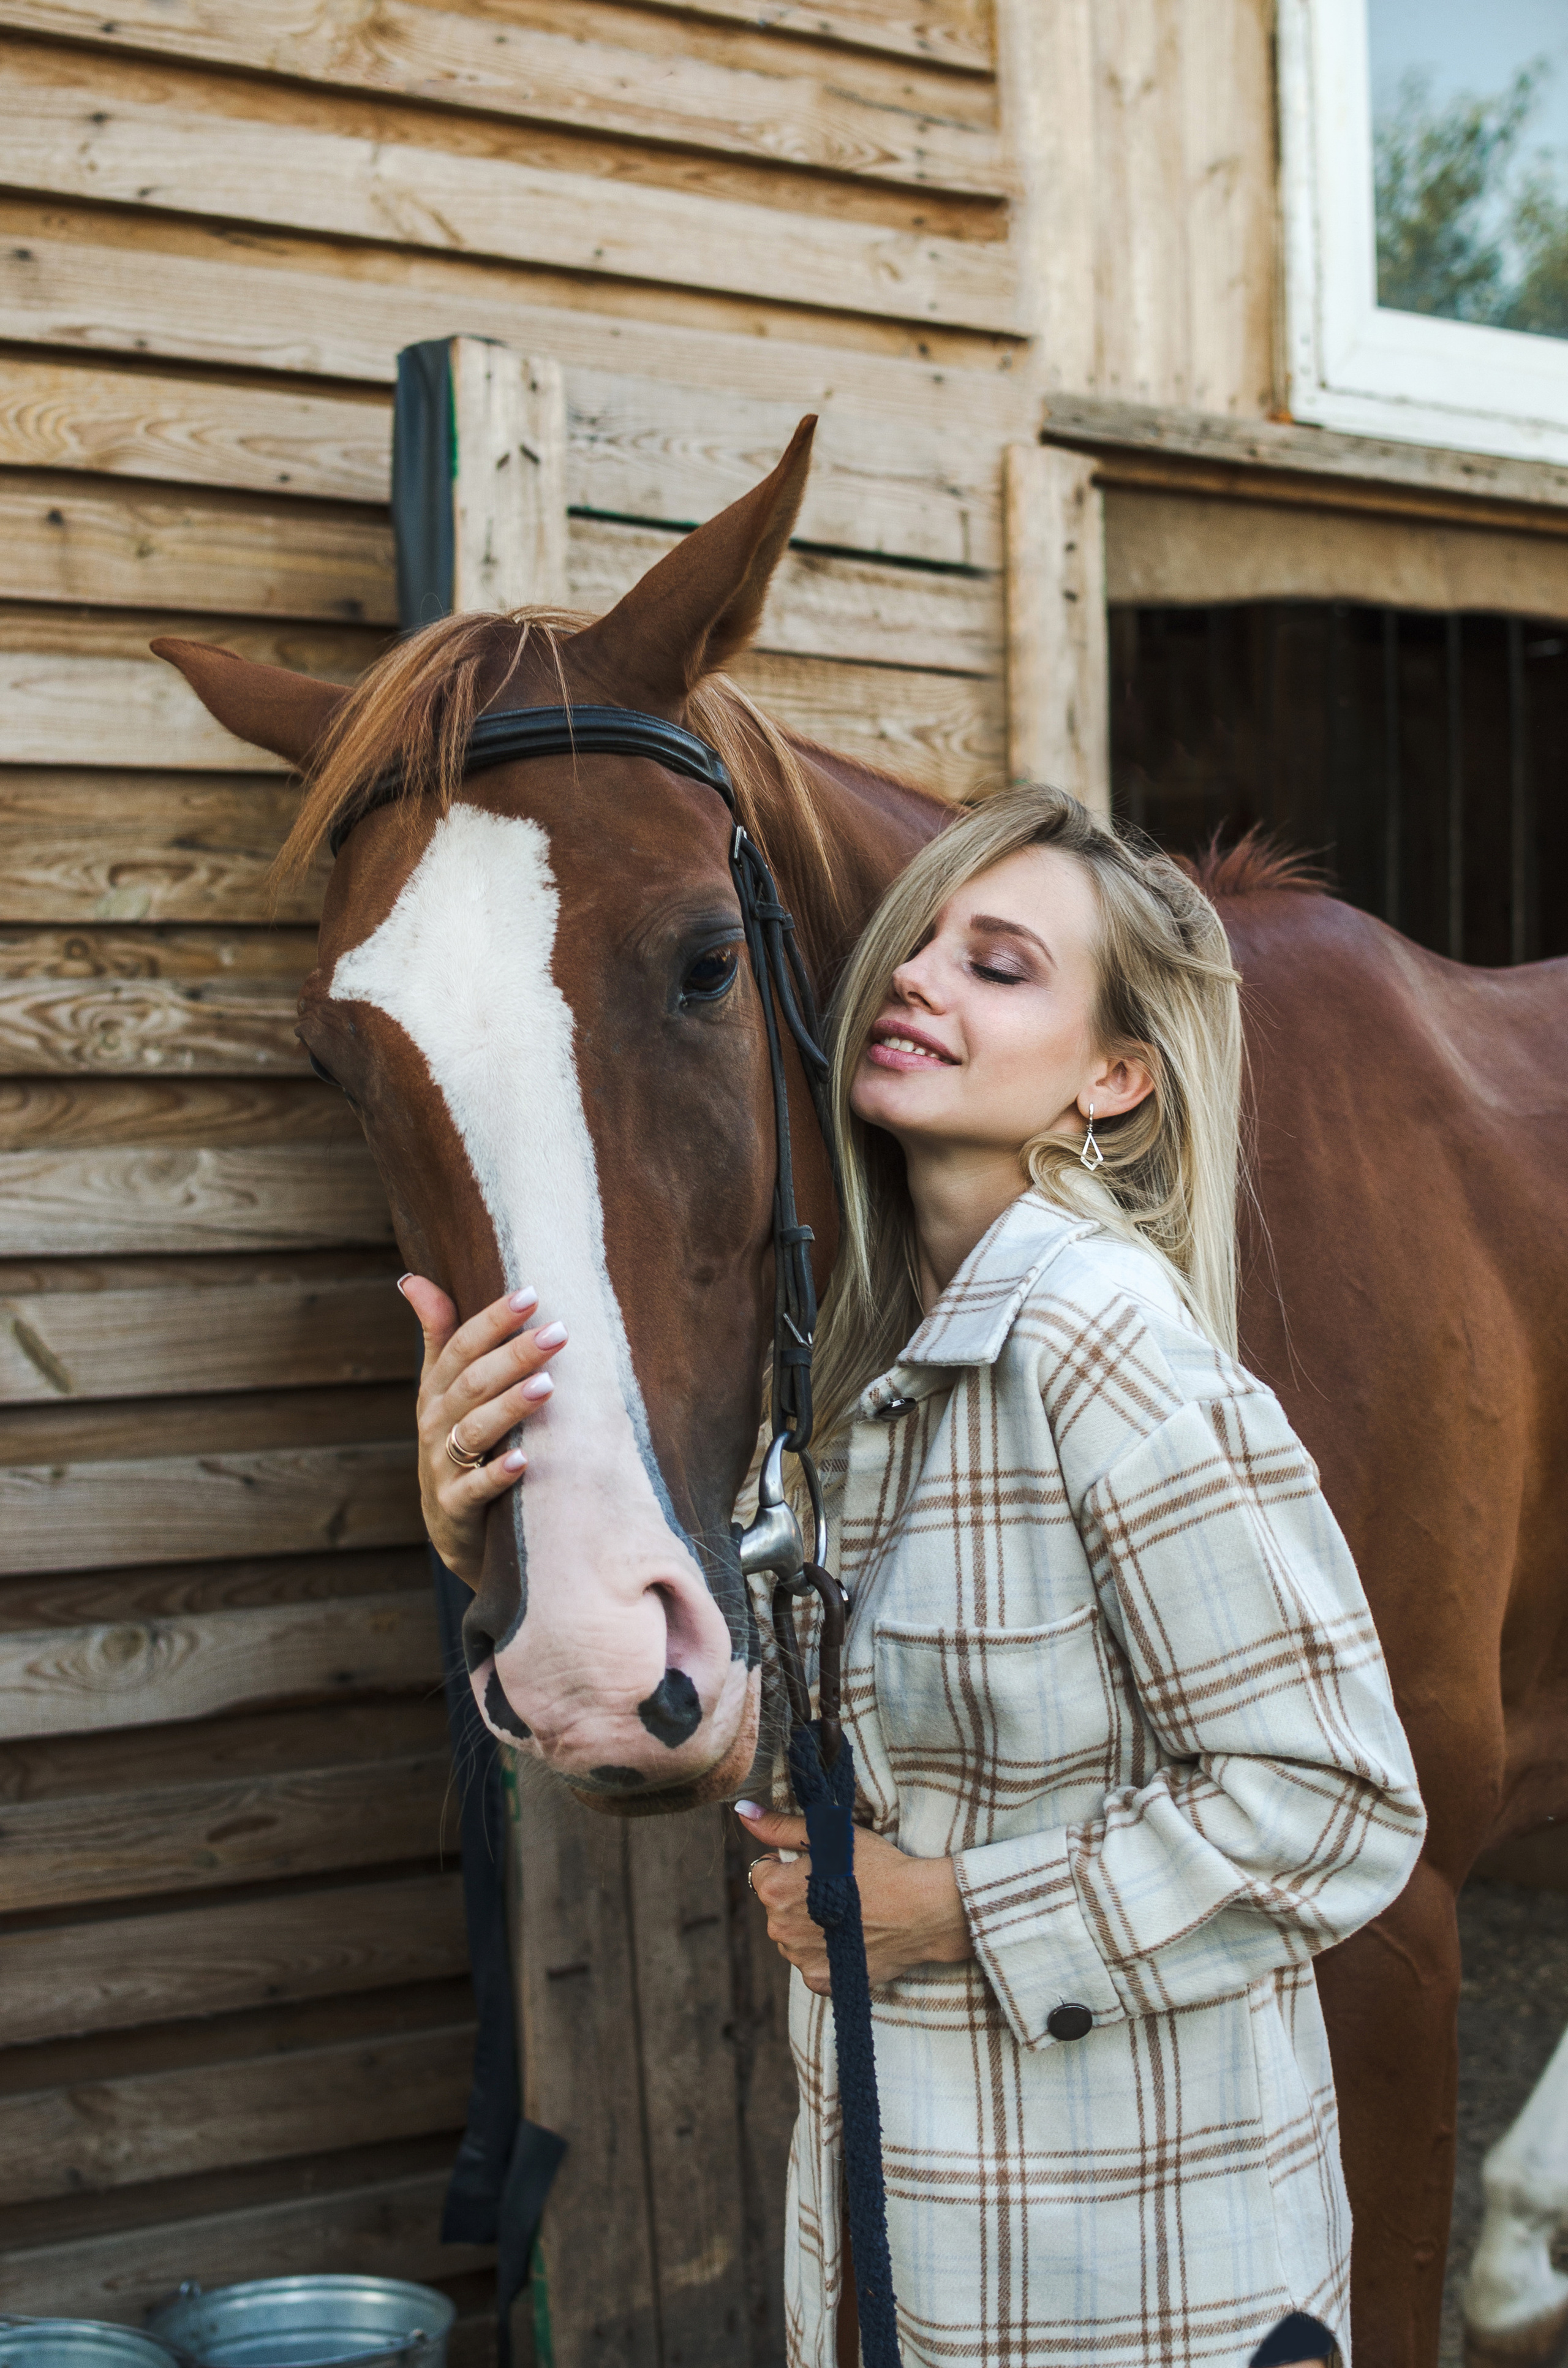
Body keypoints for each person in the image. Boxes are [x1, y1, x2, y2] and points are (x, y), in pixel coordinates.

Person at [403, 785, 1425, 2368]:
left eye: (999, 964)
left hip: (1136, 2288)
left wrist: (945, 1909)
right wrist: (490, 1537)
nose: (923, 977)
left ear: (1113, 1077)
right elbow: (727, 1734)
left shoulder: (1110, 1352)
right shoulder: (861, 1380)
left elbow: (1336, 1803)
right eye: (923, 940)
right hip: (907, 2262)